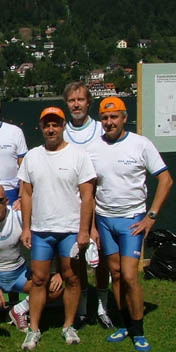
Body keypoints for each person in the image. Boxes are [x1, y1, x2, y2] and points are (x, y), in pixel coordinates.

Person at [87, 96, 173, 352]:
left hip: (132, 219)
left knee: (129, 275)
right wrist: (92, 226)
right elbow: (89, 190)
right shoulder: (92, 148)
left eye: (114, 117)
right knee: (115, 274)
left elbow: (166, 180)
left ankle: (138, 330)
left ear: (124, 118)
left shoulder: (140, 144)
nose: (109, 122)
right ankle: (124, 324)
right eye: (105, 118)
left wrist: (151, 216)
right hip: (104, 219)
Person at [18, 106, 96, 350]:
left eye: (56, 124)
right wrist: (26, 228)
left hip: (70, 230)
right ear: (41, 127)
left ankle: (69, 325)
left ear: (63, 126)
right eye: (47, 125)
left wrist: (84, 230)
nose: (51, 129)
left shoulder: (79, 155)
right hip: (41, 230)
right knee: (39, 279)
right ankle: (33, 329)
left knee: (72, 278)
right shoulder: (32, 156)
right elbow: (26, 194)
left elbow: (88, 196)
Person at [0, 183, 63, 337]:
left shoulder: (19, 217)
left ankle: (19, 310)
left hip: (20, 274)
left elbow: (47, 241)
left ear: (6, 201)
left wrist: (56, 272)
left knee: (55, 289)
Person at [62, 81, 112, 329]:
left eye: (80, 99)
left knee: (101, 256)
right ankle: (81, 308)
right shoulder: (62, 131)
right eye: (72, 100)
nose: (76, 104)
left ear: (89, 102)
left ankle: (102, 306)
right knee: (77, 259)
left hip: (98, 202)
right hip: (72, 203)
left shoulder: (99, 129)